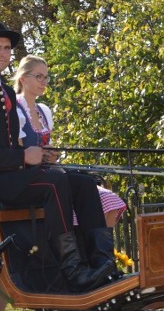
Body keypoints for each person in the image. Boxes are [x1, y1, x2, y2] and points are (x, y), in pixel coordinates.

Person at [0, 20, 121, 293]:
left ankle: (103, 264)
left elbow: (10, 145)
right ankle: (73, 272)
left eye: (6, 48)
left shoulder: (3, 90)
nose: (3, 53)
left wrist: (39, 157)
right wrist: (22, 158)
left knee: (84, 183)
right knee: (55, 182)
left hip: (14, 174)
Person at [13, 55, 127, 228]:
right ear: (23, 78)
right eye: (38, 76)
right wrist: (41, 156)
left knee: (107, 197)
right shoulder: (15, 109)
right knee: (81, 190)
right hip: (32, 178)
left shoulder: (43, 110)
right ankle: (85, 249)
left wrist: (52, 155)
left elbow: (47, 149)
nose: (43, 81)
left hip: (52, 172)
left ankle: (101, 250)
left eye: (46, 77)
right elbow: (18, 152)